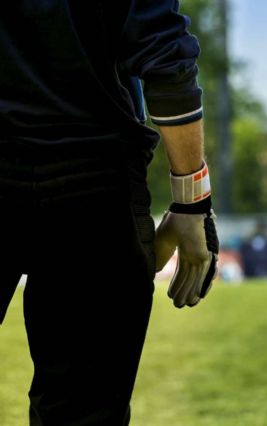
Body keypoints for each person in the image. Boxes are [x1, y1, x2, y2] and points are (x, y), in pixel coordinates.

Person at [0, 2, 219, 424]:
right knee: (82, 411)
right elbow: (161, 50)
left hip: (92, 175)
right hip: (92, 176)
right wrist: (191, 200)